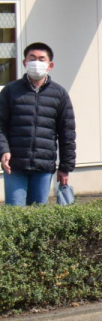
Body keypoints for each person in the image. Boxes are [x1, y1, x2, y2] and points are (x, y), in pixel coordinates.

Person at [0, 42, 75, 206]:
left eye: (42, 59)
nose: (36, 63)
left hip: (44, 166)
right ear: (24, 63)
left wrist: (65, 167)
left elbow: (67, 134)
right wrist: (3, 150)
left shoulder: (59, 94)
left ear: (50, 65)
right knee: (15, 215)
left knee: (38, 214)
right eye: (32, 58)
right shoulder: (10, 91)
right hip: (15, 165)